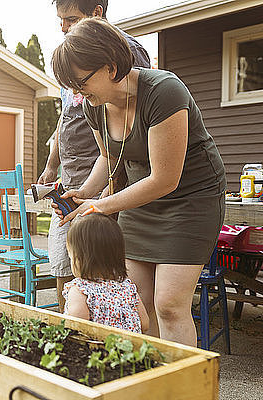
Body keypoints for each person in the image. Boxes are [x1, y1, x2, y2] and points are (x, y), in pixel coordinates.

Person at [51, 18, 226, 346]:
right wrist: (86, 191)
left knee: (170, 305)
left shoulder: (164, 91)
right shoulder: (94, 106)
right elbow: (108, 158)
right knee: (139, 299)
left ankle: (181, 392)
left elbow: (165, 179)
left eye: (80, 81)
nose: (76, 92)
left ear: (109, 66)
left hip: (190, 200)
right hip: (138, 199)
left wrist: (99, 205)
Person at [39, 0, 151, 313]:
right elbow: (65, 121)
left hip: (107, 184)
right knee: (65, 264)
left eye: (70, 18)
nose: (63, 27)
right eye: (60, 20)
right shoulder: (72, 60)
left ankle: (106, 335)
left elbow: (133, 125)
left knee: (101, 272)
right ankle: (71, 328)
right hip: (77, 181)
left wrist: (110, 190)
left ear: (97, 13)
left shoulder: (123, 51)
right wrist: (52, 166)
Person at [62, 212, 148, 333]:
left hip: (98, 350)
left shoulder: (80, 290)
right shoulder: (127, 287)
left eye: (71, 256)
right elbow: (144, 324)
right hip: (130, 350)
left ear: (81, 258)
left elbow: (76, 327)